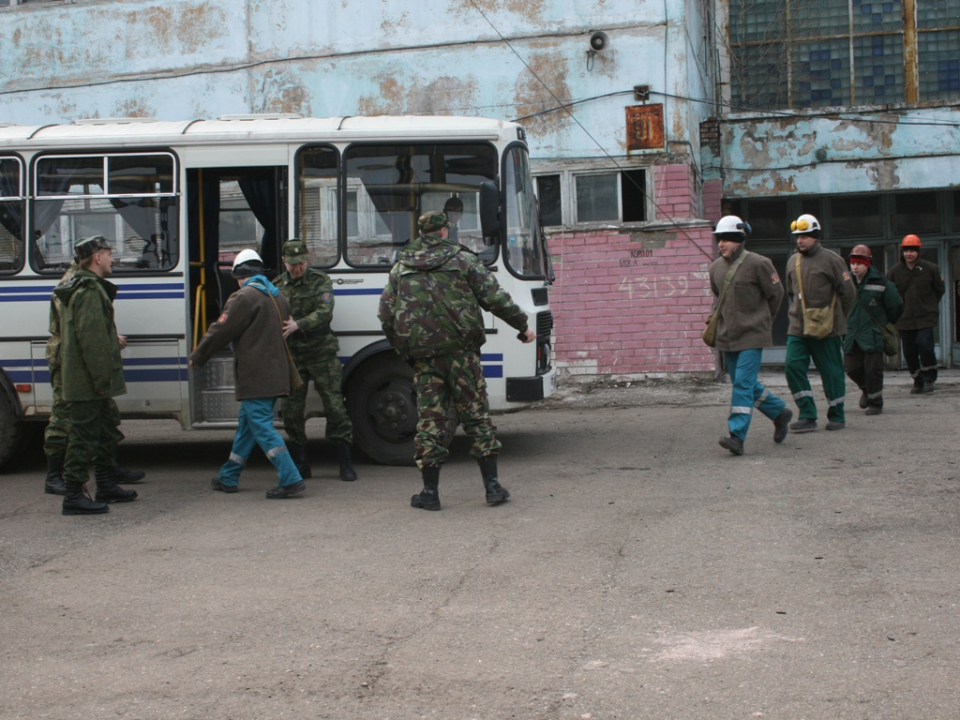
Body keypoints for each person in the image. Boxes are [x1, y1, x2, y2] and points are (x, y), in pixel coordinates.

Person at [378, 211, 536, 511]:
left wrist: (403, 349)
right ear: (441, 232)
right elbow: (494, 297)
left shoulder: (401, 267)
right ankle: (492, 487)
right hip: (462, 355)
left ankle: (430, 493)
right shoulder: (463, 260)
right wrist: (523, 327)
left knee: (431, 421)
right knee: (476, 416)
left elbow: (386, 314)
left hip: (425, 358)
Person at [189, 249, 305, 499]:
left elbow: (221, 330)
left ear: (241, 275)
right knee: (247, 427)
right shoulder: (278, 297)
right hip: (276, 374)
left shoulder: (244, 297)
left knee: (261, 426)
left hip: (256, 376)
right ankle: (228, 476)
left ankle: (291, 477)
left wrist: (199, 356)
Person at [43, 259, 145, 496]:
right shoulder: (75, 285)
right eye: (106, 254)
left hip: (82, 362)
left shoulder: (86, 284)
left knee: (105, 418)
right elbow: (77, 326)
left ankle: (107, 474)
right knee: (65, 418)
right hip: (69, 363)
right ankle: (54, 476)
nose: (111, 259)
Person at [708, 216, 792, 456]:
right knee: (743, 384)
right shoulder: (715, 268)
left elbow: (776, 295)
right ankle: (779, 412)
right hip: (727, 337)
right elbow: (718, 296)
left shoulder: (759, 263)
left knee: (742, 384)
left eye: (727, 239)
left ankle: (737, 436)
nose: (721, 244)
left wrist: (762, 322)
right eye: (719, 239)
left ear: (740, 240)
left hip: (753, 336)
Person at [274, 239, 356, 481]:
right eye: (292, 264)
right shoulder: (276, 286)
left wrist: (299, 324)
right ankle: (301, 463)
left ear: (307, 260)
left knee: (335, 406)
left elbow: (325, 312)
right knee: (291, 410)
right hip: (293, 356)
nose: (297, 268)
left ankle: (345, 462)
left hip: (321, 353)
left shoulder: (320, 281)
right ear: (284, 262)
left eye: (301, 263)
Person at [783, 214, 856, 432]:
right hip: (798, 327)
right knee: (792, 366)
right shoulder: (792, 261)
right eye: (797, 236)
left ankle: (837, 414)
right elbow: (790, 291)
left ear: (816, 237)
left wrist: (836, 318)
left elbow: (849, 294)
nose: (800, 240)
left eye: (805, 236)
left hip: (828, 327)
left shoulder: (832, 260)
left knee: (831, 371)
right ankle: (807, 414)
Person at [844, 245, 904, 415]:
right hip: (852, 334)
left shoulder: (881, 283)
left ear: (867, 264)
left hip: (873, 334)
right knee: (851, 368)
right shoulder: (846, 282)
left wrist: (885, 324)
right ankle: (866, 390)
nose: (855, 267)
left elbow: (897, 306)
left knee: (873, 370)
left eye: (859, 264)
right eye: (853, 263)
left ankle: (876, 402)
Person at [886, 234, 945, 394]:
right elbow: (888, 294)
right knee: (909, 352)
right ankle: (917, 380)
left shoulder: (930, 269)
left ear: (918, 251)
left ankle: (929, 379)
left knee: (926, 347)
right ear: (902, 252)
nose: (909, 254)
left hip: (926, 317)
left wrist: (930, 305)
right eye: (906, 250)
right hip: (904, 319)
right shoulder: (894, 272)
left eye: (912, 250)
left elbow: (939, 289)